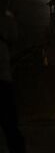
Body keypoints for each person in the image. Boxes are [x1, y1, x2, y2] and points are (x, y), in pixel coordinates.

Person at [0, 10, 27, 153]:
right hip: (4, 81)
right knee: (10, 125)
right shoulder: (6, 18)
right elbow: (15, 38)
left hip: (5, 78)